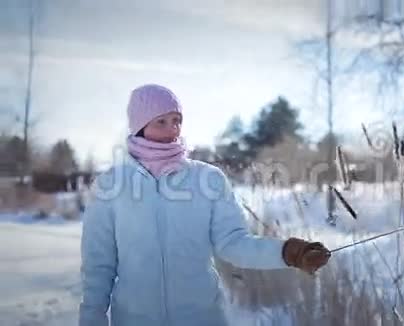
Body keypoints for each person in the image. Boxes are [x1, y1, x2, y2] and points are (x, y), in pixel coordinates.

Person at [79, 84, 331, 326]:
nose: (172, 129)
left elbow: (234, 243)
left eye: (176, 120)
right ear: (140, 126)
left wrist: (289, 252)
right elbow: (99, 265)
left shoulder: (207, 179)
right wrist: (91, 319)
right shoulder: (110, 185)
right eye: (161, 121)